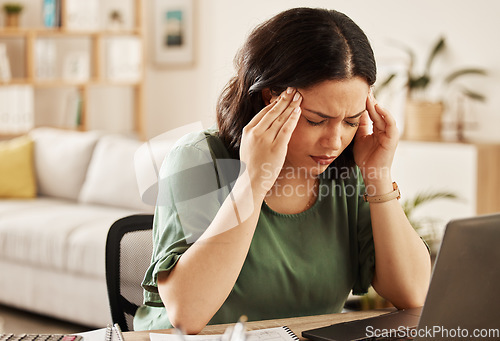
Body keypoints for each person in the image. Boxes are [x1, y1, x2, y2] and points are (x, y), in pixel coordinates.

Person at [133, 7, 431, 333]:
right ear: (270, 98)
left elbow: (414, 294)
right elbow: (186, 315)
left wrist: (378, 176)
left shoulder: (348, 172)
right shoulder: (198, 159)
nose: (334, 142)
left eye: (350, 121)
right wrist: (253, 181)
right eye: (316, 120)